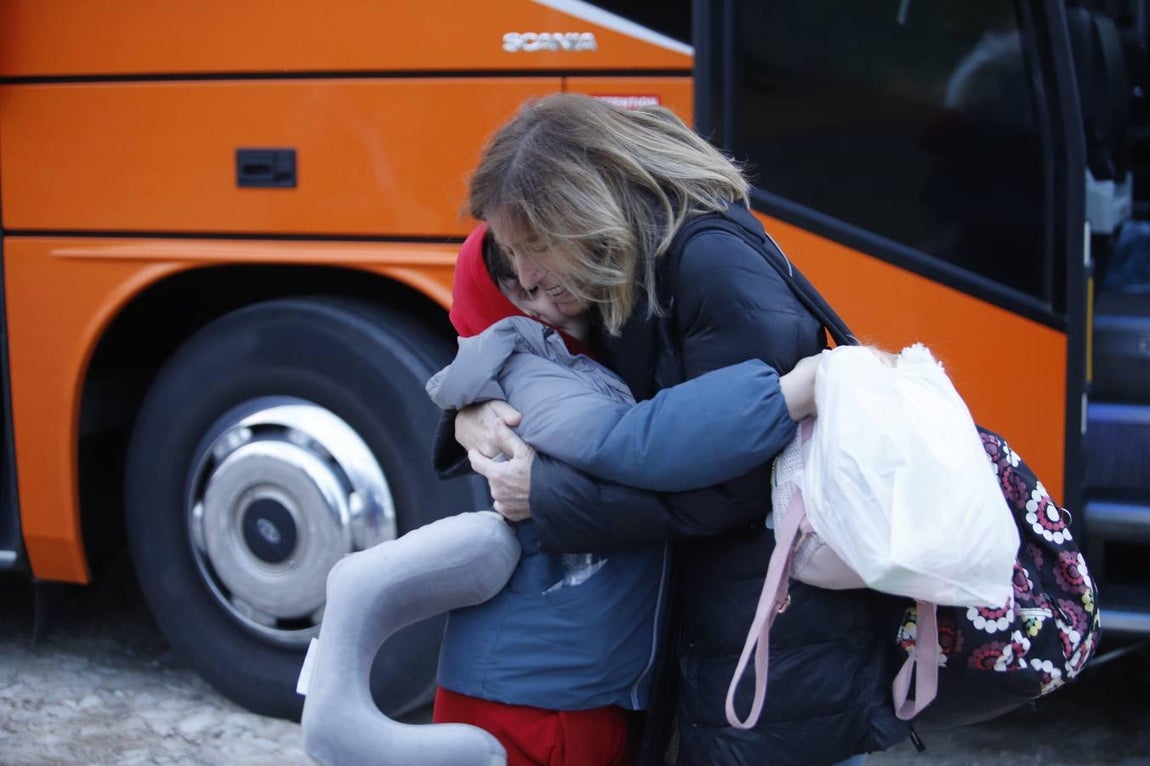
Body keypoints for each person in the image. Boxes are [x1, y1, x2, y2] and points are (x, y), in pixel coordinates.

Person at [440, 93, 909, 766]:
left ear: (585, 208)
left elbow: (736, 486)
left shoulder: (713, 266)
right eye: (516, 256)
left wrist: (545, 497)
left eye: (535, 248)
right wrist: (467, 409)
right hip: (728, 632)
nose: (529, 277)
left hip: (778, 651)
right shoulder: (624, 262)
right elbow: (515, 350)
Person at [426, 223, 824, 766]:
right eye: (520, 293)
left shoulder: (571, 362)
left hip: (560, 680)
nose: (546, 303)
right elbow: (628, 441)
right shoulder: (532, 370)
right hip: (543, 696)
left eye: (544, 276)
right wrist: (785, 396)